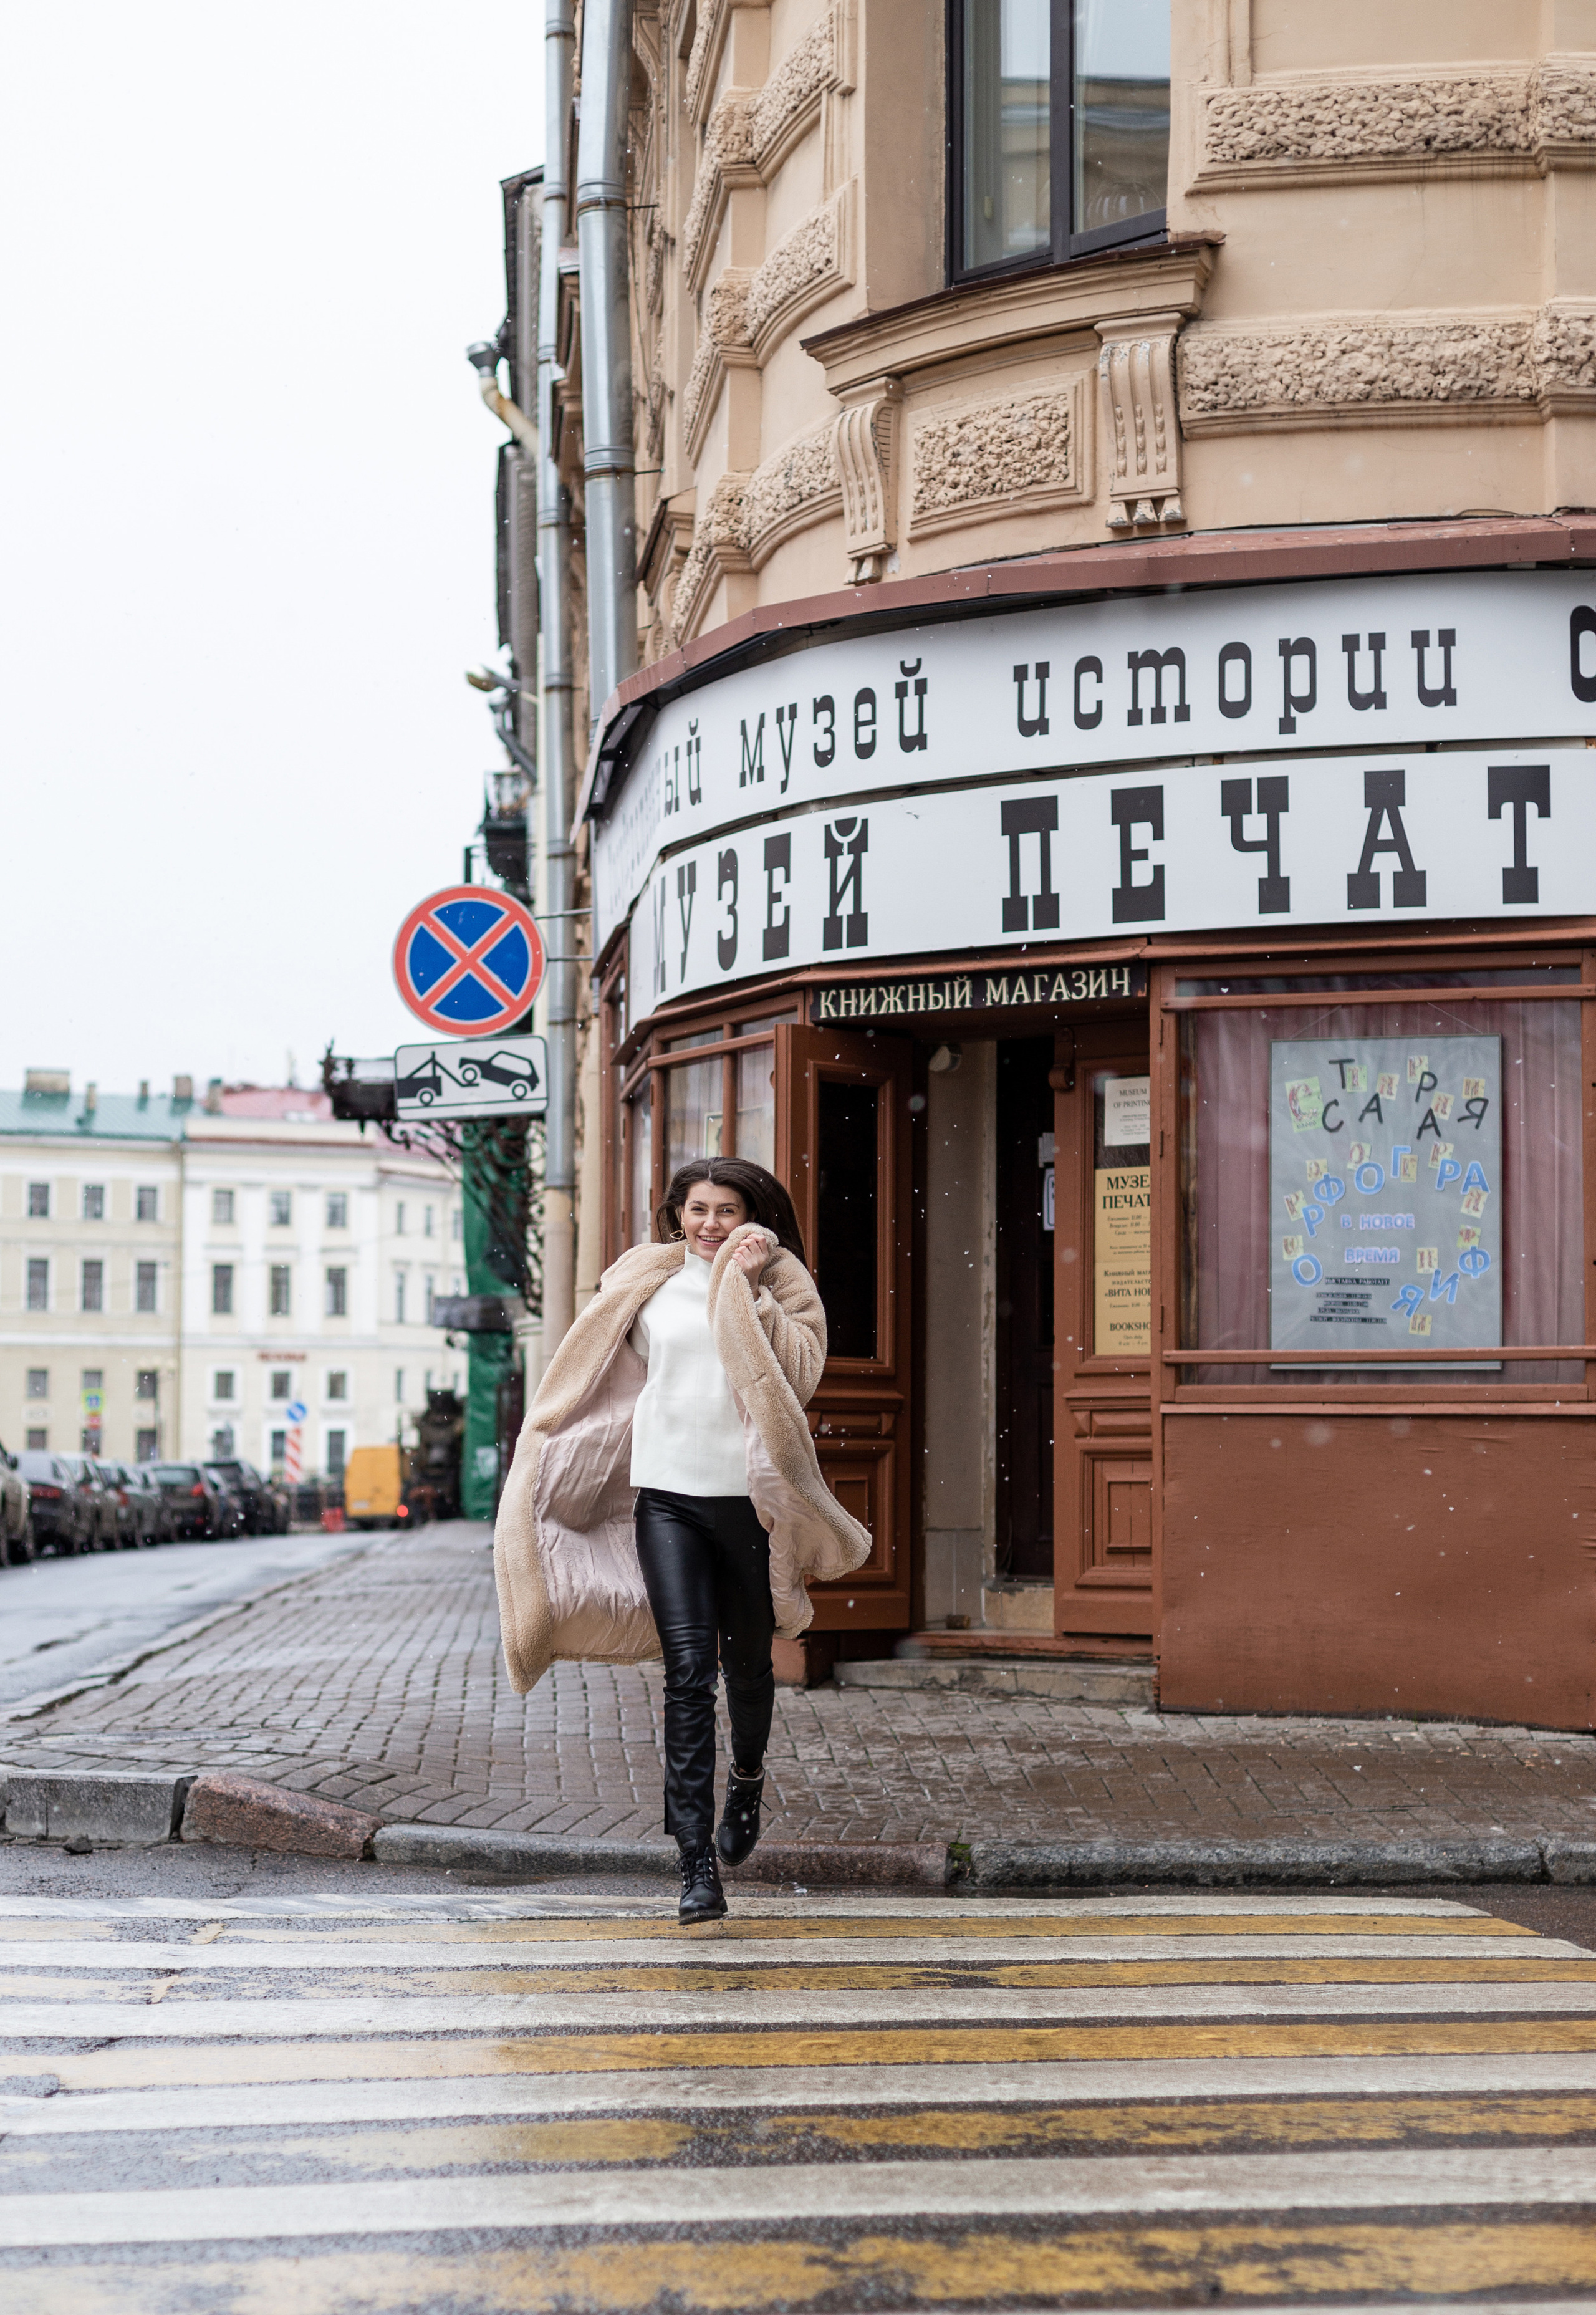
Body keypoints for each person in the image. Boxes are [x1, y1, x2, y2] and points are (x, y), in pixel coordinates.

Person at [493, 1155, 872, 1924]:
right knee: (689, 1674)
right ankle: (696, 1864)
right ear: (677, 1215)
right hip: (665, 1499)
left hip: (749, 1507)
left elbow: (797, 1377)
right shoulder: (645, 1283)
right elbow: (601, 1377)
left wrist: (746, 1288)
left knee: (751, 1667)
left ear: (752, 1217)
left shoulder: (784, 1287)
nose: (708, 1224)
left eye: (725, 1210)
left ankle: (748, 1778)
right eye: (696, 1209)